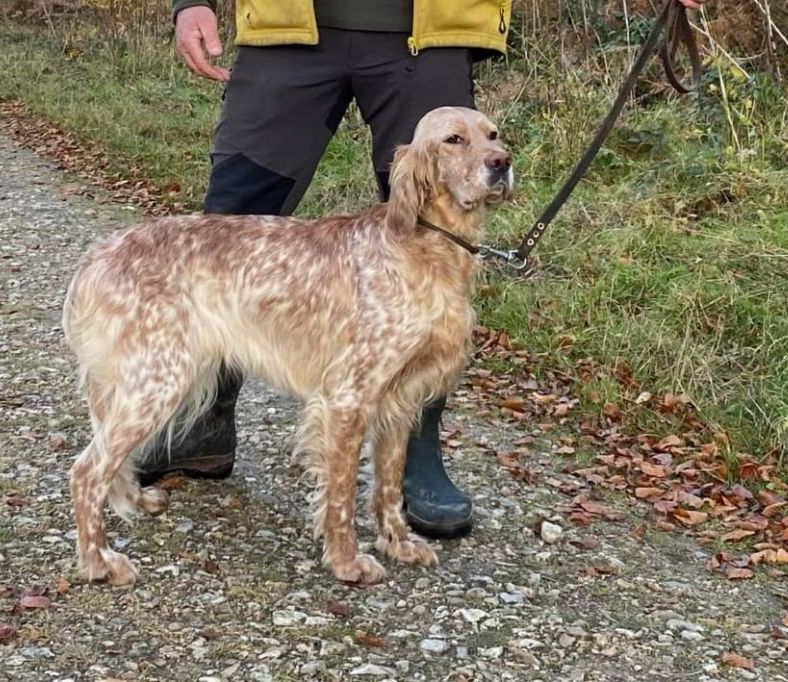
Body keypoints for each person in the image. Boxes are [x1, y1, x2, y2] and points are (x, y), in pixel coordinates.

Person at [140, 0, 705, 539]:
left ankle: (416, 450)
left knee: (431, 236)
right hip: (287, 30)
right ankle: (202, 420)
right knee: (232, 219)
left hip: (427, 32)